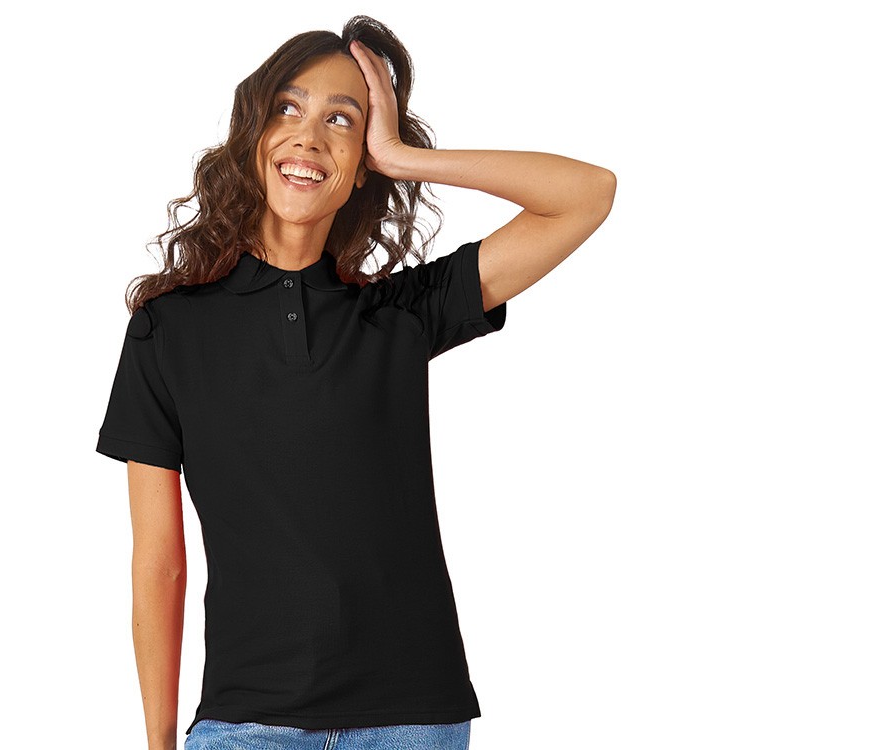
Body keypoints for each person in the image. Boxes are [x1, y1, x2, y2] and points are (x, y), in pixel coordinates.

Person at [95, 14, 615, 750]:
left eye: (340, 119)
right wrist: (158, 744)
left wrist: (404, 156)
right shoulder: (167, 330)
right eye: (288, 108)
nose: (309, 137)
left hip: (414, 720)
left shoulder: (399, 314)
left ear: (363, 159)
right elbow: (159, 563)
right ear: (253, 133)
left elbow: (587, 194)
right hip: (247, 725)